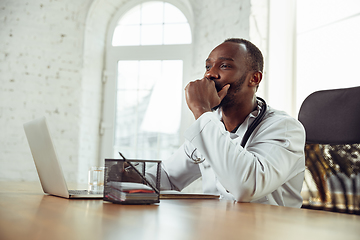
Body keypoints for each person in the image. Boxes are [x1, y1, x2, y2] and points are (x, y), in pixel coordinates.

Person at [144, 38, 306, 208]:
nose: (209, 74)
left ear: (254, 78)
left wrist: (200, 109)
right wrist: (125, 180)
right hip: (218, 228)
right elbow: (167, 176)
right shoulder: (211, 124)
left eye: (224, 66)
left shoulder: (284, 128)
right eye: (208, 66)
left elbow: (246, 187)